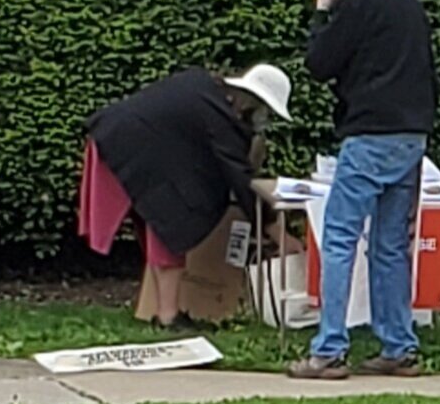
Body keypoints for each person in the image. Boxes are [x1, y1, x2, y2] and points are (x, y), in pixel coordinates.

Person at [289, 0, 440, 381]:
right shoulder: (406, 1)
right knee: (390, 245)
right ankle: (399, 345)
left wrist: (322, 14)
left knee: (338, 237)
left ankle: (329, 349)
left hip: (369, 131)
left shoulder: (355, 1)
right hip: (411, 134)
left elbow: (319, 64)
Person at [78, 64, 294, 333]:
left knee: (163, 219)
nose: (263, 118)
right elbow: (240, 177)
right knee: (175, 215)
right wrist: (274, 228)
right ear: (252, 101)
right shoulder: (221, 117)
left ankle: (163, 313)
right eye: (265, 111)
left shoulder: (204, 89)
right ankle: (168, 317)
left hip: (117, 141)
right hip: (124, 148)